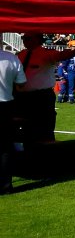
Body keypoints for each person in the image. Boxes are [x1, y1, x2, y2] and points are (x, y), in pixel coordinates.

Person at [15, 33, 75, 143]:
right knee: (26, 130)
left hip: (41, 97)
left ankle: (47, 154)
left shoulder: (46, 54)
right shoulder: (21, 54)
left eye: (27, 38)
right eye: (23, 38)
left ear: (37, 40)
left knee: (45, 130)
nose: (24, 41)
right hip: (23, 97)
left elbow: (61, 56)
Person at [0, 51, 26, 194]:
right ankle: (5, 185)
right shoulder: (11, 57)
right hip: (5, 105)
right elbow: (21, 84)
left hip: (5, 104)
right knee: (5, 147)